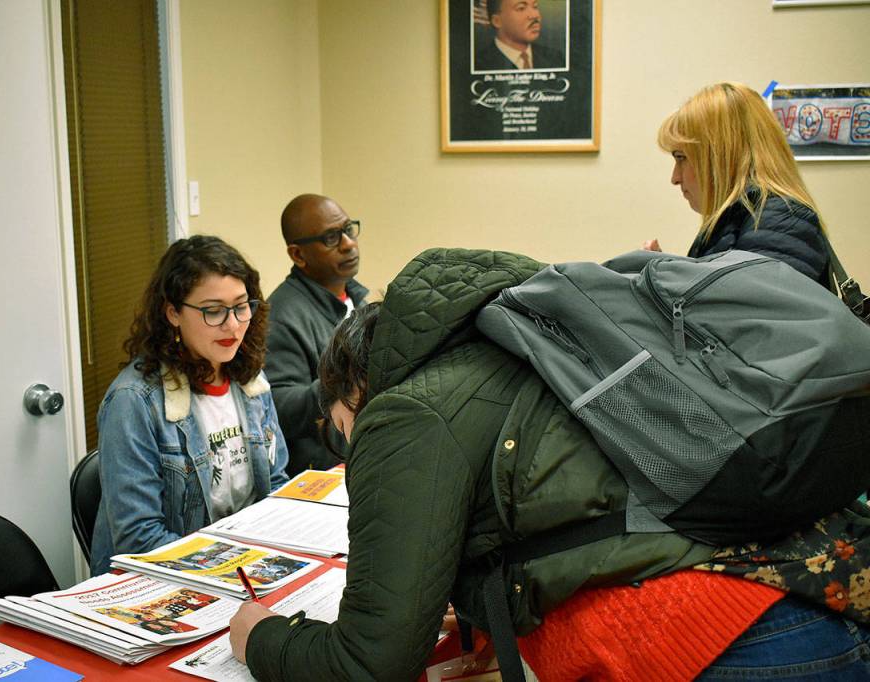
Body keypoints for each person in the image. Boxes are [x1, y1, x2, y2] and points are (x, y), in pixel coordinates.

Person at [229, 248, 870, 680]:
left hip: (717, 638)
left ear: (355, 392)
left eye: (346, 437)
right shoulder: (505, 342)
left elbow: (372, 661)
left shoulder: (404, 414)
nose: (353, 453)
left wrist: (258, 638)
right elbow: (546, 497)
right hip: (812, 589)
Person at [89, 236, 289, 576]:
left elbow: (276, 483)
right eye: (213, 311)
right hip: (164, 579)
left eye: (241, 307)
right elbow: (139, 539)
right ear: (173, 313)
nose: (232, 325)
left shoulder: (249, 381)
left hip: (242, 566)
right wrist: (232, 567)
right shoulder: (134, 401)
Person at [646, 81, 831, 288]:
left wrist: (665, 282)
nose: (675, 178)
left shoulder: (778, 219)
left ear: (720, 157)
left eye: (681, 157)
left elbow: (748, 314)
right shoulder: (750, 220)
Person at [265, 194, 368, 475]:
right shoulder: (282, 317)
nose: (348, 244)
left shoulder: (359, 298)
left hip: (365, 452)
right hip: (322, 472)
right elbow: (278, 407)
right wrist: (347, 380)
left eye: (348, 230)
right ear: (298, 255)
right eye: (331, 238)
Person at [475, 0, 563, 71]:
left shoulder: (556, 58)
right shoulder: (478, 64)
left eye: (535, 6)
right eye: (521, 8)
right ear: (497, 21)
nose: (535, 15)